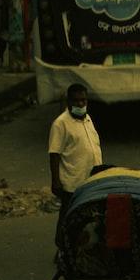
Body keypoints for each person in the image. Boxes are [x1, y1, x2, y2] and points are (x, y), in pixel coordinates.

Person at [49, 84, 103, 217]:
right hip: (72, 184)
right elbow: (54, 154)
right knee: (68, 218)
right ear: (69, 101)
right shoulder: (60, 124)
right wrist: (56, 182)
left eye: (83, 100)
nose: (80, 104)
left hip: (91, 181)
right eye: (76, 101)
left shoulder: (88, 119)